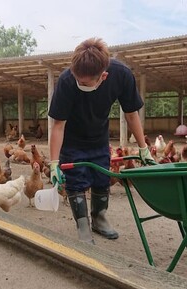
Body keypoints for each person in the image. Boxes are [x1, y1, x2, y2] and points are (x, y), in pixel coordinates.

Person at [48, 37, 153, 244]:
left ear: (103, 76)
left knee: (101, 178)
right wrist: (53, 163)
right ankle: (83, 226)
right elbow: (58, 124)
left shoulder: (121, 75)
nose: (79, 83)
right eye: (78, 79)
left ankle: (99, 219)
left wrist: (143, 147)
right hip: (72, 140)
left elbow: (131, 113)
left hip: (99, 137)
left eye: (85, 82)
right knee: (76, 181)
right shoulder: (67, 81)